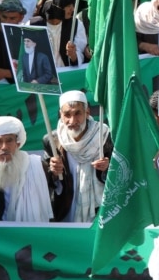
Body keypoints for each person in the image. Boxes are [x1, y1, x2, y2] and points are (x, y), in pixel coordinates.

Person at [42, 90, 112, 222]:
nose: (72, 121)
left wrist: (107, 167)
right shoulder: (52, 140)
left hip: (100, 207)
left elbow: (119, 172)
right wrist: (54, 172)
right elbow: (49, 180)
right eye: (67, 114)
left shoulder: (104, 135)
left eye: (77, 113)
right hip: (67, 208)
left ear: (87, 113)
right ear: (61, 115)